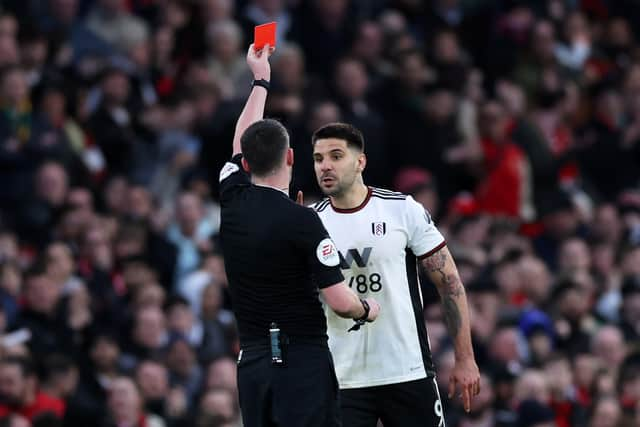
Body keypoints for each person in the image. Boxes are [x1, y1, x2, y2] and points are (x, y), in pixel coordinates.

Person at [218, 44, 380, 427]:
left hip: (255, 362)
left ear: (245, 162)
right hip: (302, 362)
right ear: (291, 158)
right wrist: (366, 309)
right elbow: (340, 301)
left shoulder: (232, 197)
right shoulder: (303, 221)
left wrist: (260, 81)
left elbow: (240, 143)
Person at [309, 122, 480, 426]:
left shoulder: (402, 210)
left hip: (406, 370)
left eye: (336, 156)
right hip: (341, 378)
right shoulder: (309, 222)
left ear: (360, 162)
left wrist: (465, 357)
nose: (325, 166)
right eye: (318, 159)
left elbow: (450, 283)